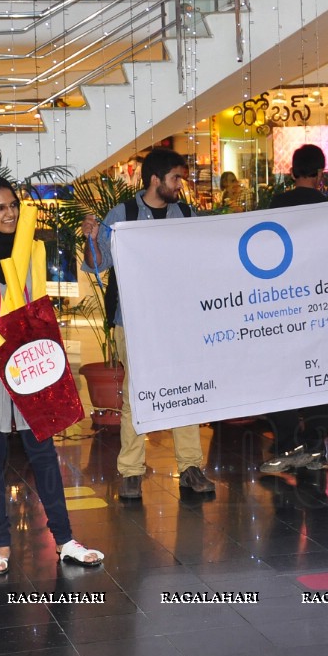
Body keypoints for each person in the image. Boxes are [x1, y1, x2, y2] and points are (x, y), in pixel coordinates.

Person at [0, 176, 104, 573]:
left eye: (12, 205)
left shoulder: (29, 249)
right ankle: (0, 545)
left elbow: (38, 305)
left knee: (44, 454)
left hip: (28, 366)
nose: (9, 213)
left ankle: (64, 539)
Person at [82, 147, 215, 500]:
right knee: (138, 394)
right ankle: (130, 472)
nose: (180, 185)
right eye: (176, 178)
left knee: (187, 389)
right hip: (133, 320)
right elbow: (97, 266)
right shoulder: (122, 214)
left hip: (179, 320)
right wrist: (91, 240)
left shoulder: (185, 213)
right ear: (156, 179)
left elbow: (204, 255)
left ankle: (190, 467)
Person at [259, 145, 328, 473]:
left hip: (282, 302)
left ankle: (287, 445)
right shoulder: (327, 208)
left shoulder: (276, 204)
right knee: (319, 373)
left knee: (282, 374)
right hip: (318, 300)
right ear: (320, 174)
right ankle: (316, 445)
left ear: (292, 173)